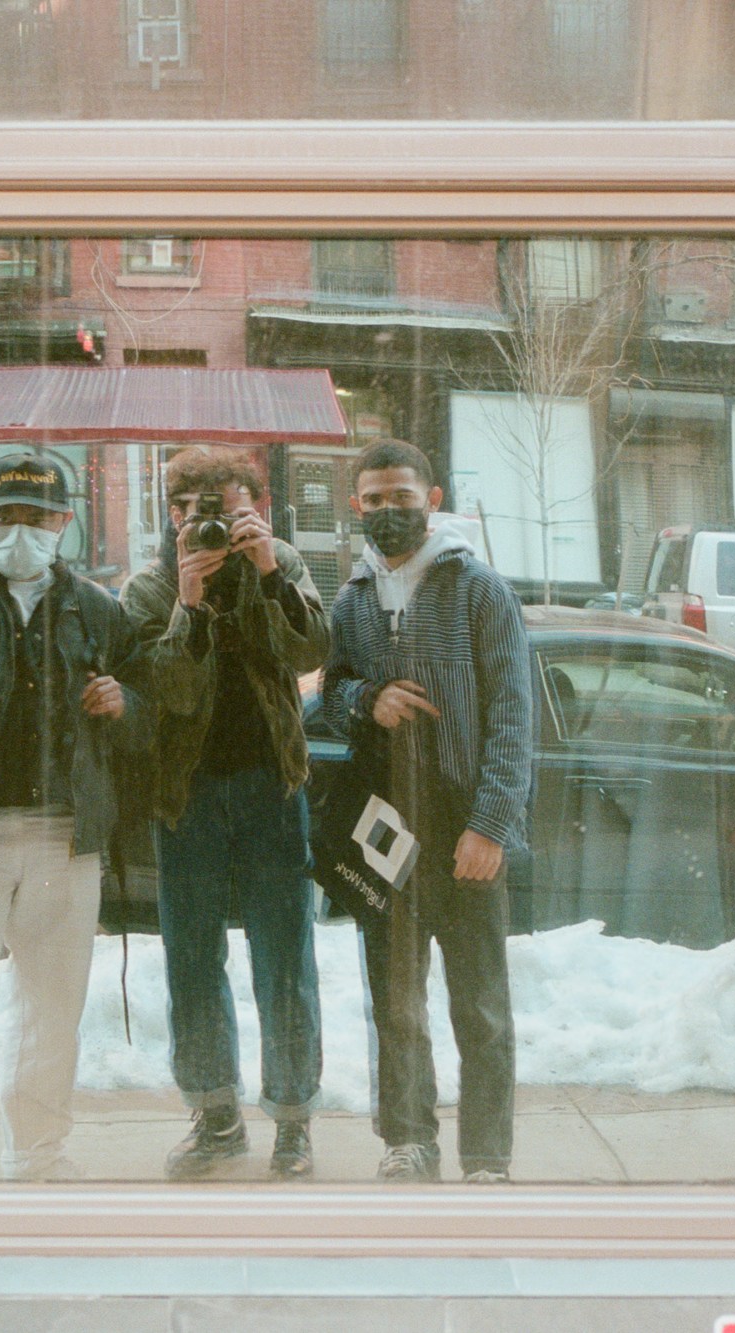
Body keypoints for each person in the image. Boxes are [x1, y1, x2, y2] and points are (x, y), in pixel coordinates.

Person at [0, 452, 150, 1181]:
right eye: (4, 514)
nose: (20, 528)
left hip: (62, 834)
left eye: (37, 516)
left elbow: (144, 701)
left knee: (52, 1015)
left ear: (64, 521)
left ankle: (37, 1157)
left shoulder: (98, 607)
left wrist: (125, 702)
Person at [319, 438, 533, 1184]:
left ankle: (485, 1157)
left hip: (464, 824)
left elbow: (514, 714)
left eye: (401, 497)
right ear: (356, 507)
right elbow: (332, 689)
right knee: (397, 1003)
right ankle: (407, 1139)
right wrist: (363, 699)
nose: (388, 512)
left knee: (481, 1007)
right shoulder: (352, 599)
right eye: (373, 500)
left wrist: (491, 825)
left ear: (432, 499)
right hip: (388, 830)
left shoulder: (478, 589)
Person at [119, 445, 329, 1181]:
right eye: (193, 515)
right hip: (190, 793)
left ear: (257, 512)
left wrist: (268, 571)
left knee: (285, 955)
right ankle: (216, 1116)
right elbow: (169, 690)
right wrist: (190, 603)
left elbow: (312, 649)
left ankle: (295, 1120)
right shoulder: (148, 590)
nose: (208, 530)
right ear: (171, 516)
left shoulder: (284, 564)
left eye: (229, 514)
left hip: (273, 784)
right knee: (193, 958)